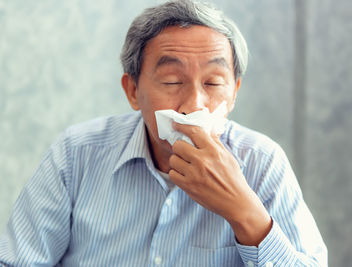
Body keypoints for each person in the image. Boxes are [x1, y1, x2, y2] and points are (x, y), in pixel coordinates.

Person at [0, 0, 327, 266]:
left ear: (235, 92)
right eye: (172, 82)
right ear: (132, 91)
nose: (194, 105)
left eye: (213, 83)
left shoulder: (262, 162)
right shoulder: (76, 153)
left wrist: (244, 211)